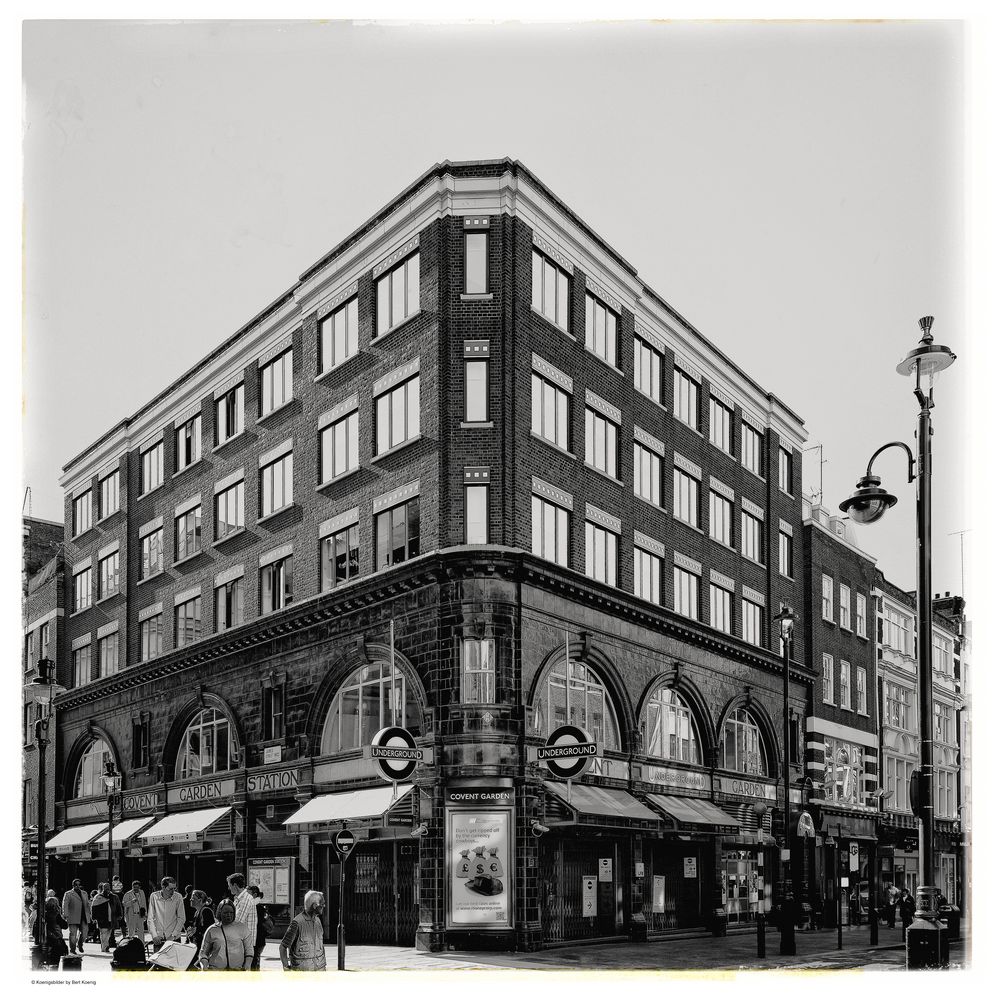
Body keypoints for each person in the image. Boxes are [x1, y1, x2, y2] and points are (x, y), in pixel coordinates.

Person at [197, 900, 252, 971]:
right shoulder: (212, 930)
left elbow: (249, 950)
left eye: (231, 912)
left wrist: (247, 965)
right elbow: (203, 953)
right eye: (226, 912)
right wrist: (204, 966)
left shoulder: (242, 928)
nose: (229, 915)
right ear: (220, 913)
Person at [279, 891, 327, 971]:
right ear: (315, 906)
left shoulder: (318, 921)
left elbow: (321, 946)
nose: (324, 906)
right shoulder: (297, 923)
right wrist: (286, 968)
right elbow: (283, 947)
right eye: (322, 904)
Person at [148, 876, 186, 951]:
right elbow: (150, 918)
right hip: (158, 939)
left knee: (174, 962)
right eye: (170, 889)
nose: (173, 891)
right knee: (157, 962)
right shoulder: (154, 896)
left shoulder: (178, 897)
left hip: (174, 939)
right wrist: (154, 935)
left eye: (174, 889)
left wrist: (173, 935)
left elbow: (181, 918)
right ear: (163, 887)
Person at [33, 896, 69, 968]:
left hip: (43, 942)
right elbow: (65, 926)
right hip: (55, 942)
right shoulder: (56, 915)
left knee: (43, 964)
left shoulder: (41, 914)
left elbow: (35, 928)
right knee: (55, 963)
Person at [227, 872, 258, 954]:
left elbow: (237, 921)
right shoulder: (239, 899)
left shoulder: (245, 899)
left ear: (235, 885)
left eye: (229, 885)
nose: (228, 888)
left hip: (243, 945)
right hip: (241, 943)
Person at [61, 878, 91, 955]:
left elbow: (87, 905)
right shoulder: (68, 893)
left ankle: (80, 944)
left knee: (85, 932)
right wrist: (65, 914)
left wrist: (90, 914)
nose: (77, 886)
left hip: (84, 916)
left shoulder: (84, 893)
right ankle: (72, 949)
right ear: (73, 885)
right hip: (73, 916)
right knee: (73, 934)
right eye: (75, 885)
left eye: (78, 884)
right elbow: (65, 905)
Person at [247, 884, 269, 970]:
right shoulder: (258, 907)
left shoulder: (257, 908)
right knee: (255, 961)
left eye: (248, 894)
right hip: (258, 940)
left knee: (254, 962)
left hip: (257, 939)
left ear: (254, 895)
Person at [90, 884, 115, 952]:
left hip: (111, 918)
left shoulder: (112, 896)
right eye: (106, 888)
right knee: (103, 934)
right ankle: (105, 948)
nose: (107, 889)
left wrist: (118, 915)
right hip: (102, 919)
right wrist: (94, 917)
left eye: (108, 888)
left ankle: (105, 946)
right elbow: (93, 907)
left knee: (108, 934)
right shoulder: (98, 897)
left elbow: (116, 905)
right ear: (103, 888)